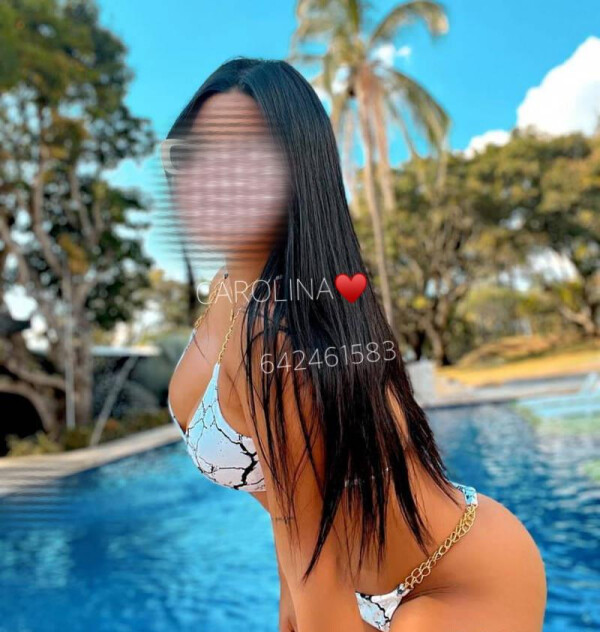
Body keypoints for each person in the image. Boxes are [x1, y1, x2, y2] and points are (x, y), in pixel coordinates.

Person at [165, 57, 547, 632]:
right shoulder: (226, 290)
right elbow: (290, 515)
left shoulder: (278, 334)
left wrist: (303, 604)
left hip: (456, 578)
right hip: (352, 581)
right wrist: (288, 606)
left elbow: (313, 558)